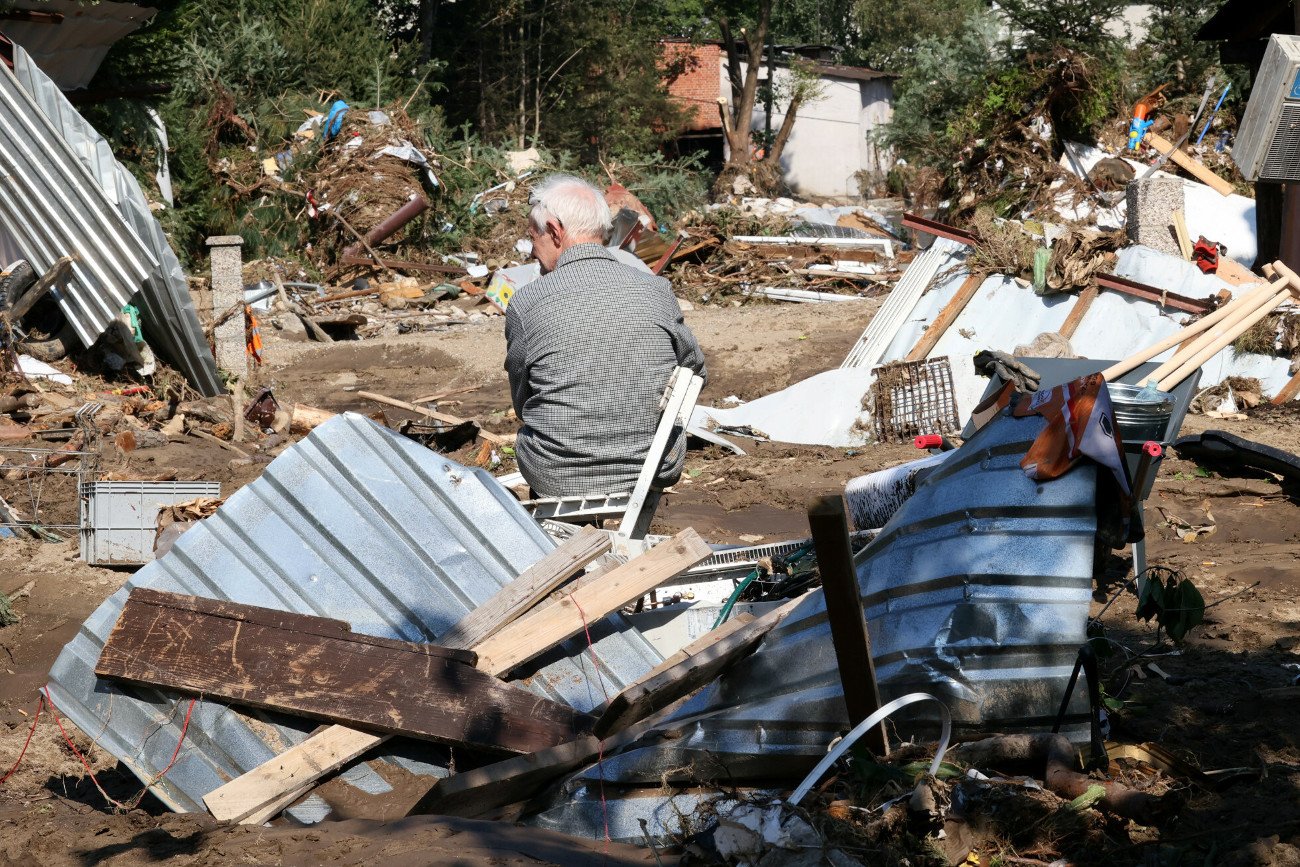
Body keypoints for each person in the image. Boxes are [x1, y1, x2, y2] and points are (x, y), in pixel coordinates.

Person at [504, 174, 706, 498]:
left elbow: (522, 399)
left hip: (558, 476)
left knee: (530, 435)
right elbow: (695, 371)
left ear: (555, 231)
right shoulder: (656, 290)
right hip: (654, 468)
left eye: (534, 237)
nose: (531, 251)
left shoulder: (526, 302)